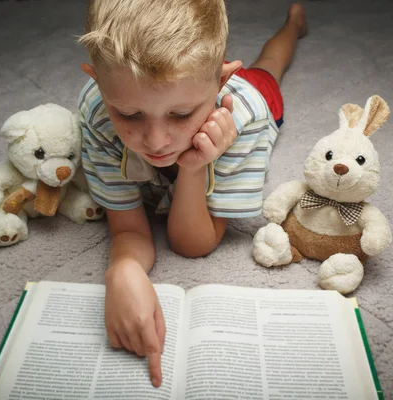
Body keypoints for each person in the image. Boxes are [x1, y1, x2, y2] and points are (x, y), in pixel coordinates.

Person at [76, 0, 307, 388]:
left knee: (269, 66)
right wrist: (123, 268)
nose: (155, 140)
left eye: (181, 114)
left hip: (256, 96)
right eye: (130, 115)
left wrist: (194, 166)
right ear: (98, 83)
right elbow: (128, 230)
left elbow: (194, 244)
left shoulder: (243, 117)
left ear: (220, 83)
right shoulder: (97, 111)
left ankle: (293, 25)